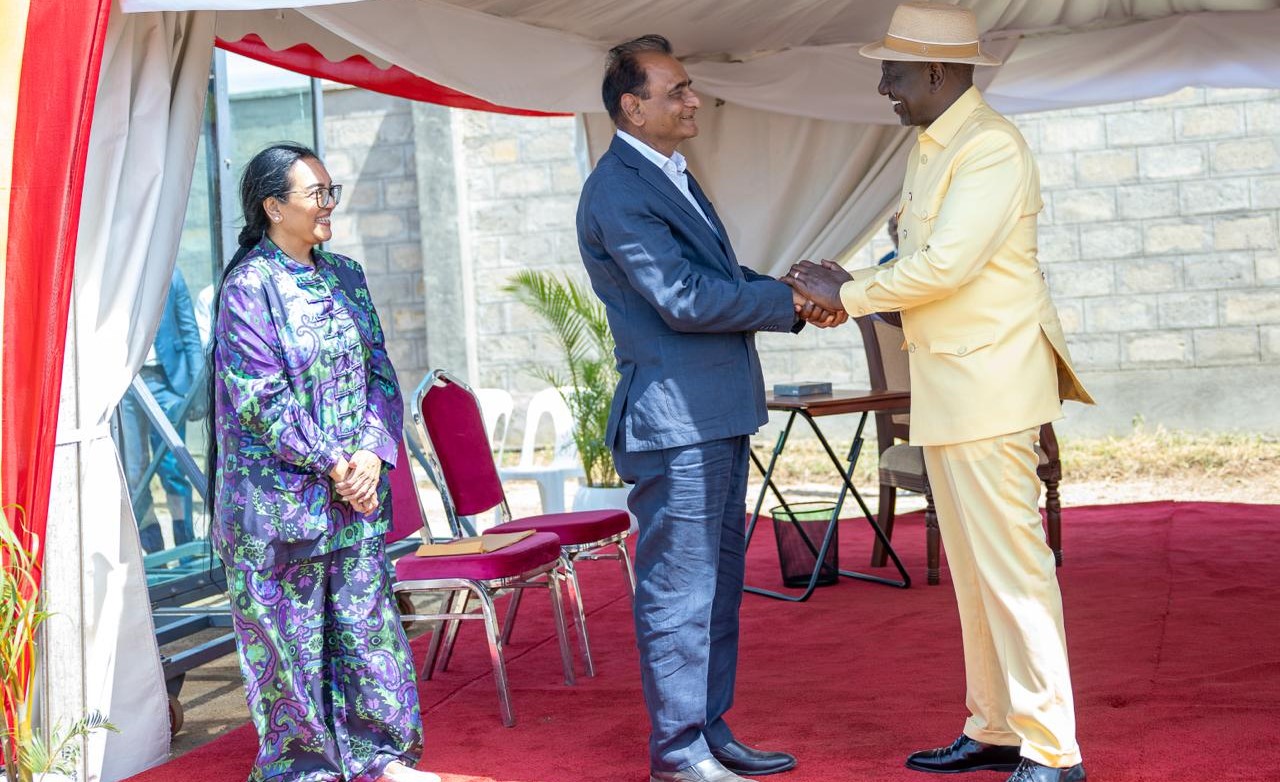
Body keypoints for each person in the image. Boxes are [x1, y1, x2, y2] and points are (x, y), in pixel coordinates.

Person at [783, 4, 1095, 782]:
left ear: (934, 71)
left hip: (991, 390)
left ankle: (1054, 750)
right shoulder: (931, 147)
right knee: (976, 574)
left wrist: (847, 292)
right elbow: (919, 266)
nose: (884, 88)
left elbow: (947, 266)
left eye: (892, 73)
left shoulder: (989, 146)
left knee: (1014, 571)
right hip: (953, 389)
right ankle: (994, 727)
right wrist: (851, 290)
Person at [577, 34, 840, 782]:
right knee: (680, 592)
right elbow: (684, 298)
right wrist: (792, 302)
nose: (694, 100)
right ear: (633, 108)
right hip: (676, 422)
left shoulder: (667, 175)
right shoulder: (618, 189)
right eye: (678, 91)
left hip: (714, 413)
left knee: (717, 588)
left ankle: (708, 732)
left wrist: (783, 291)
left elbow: (717, 273)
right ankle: (677, 753)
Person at [207, 143, 438, 782]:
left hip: (354, 498)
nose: (328, 204)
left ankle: (380, 758)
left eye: (331, 191)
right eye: (316, 194)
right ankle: (304, 770)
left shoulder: (347, 276)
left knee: (367, 632)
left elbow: (380, 373)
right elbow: (260, 397)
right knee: (292, 652)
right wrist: (338, 465)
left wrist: (371, 453)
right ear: (274, 207)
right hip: (280, 510)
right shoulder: (249, 287)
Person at [119, 266, 205, 553]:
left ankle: (186, 548)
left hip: (167, 383)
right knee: (134, 473)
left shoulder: (172, 273)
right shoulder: (118, 272)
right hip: (126, 383)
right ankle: (153, 551)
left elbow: (190, 332)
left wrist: (197, 389)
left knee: (174, 468)